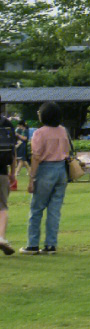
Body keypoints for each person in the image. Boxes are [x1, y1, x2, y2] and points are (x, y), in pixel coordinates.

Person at [21, 101, 71, 255]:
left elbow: (36, 157)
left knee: (36, 208)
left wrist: (31, 178)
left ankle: (33, 244)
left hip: (45, 169)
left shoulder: (40, 133)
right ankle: (50, 245)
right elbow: (68, 150)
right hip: (61, 169)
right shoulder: (63, 130)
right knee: (54, 210)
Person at [0, 100, 16, 255]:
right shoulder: (6, 123)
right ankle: (1, 237)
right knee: (2, 206)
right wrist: (13, 173)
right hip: (2, 172)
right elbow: (12, 151)